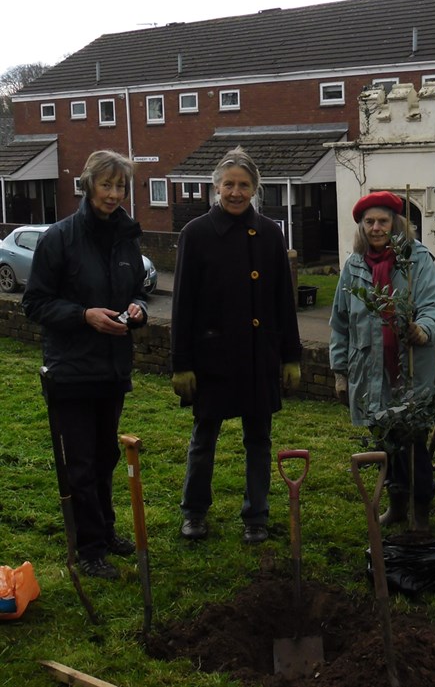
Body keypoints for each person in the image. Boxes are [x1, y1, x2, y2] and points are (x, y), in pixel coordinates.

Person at [23, 150, 148, 580]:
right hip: (71, 370)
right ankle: (89, 548)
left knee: (104, 457)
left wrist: (137, 309)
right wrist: (83, 316)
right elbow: (34, 303)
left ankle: (106, 530)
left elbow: (138, 292)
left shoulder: (128, 239)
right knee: (79, 462)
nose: (114, 195)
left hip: (112, 368)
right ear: (87, 185)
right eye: (106, 185)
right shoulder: (58, 238)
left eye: (120, 187)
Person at [171, 146, 302, 545]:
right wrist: (181, 364)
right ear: (215, 187)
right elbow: (182, 305)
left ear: (255, 190)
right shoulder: (195, 233)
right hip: (212, 358)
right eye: (228, 184)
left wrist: (291, 356)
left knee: (259, 440)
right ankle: (194, 512)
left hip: (258, 355)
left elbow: (283, 299)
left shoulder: (269, 233)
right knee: (203, 439)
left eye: (244, 185)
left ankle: (256, 515)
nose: (235, 192)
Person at [329, 191, 435, 529]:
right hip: (370, 372)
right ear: (362, 227)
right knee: (385, 442)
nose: (376, 227)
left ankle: (421, 513)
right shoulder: (354, 266)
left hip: (409, 370)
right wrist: (340, 372)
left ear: (396, 224)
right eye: (369, 222)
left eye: (383, 221)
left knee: (412, 443)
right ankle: (397, 506)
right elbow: (340, 323)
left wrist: (423, 329)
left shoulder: (415, 260)